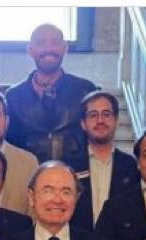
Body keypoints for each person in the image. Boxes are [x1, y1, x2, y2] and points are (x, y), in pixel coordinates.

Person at [6, 24, 97, 165]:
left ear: (65, 48)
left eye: (55, 43)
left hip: (76, 175)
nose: (48, 49)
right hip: (28, 175)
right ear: (30, 50)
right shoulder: (13, 97)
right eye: (41, 43)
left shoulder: (85, 90)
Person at [70, 90, 140, 232]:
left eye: (106, 114)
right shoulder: (69, 165)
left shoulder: (130, 165)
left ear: (116, 120)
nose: (100, 121)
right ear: (83, 123)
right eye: (93, 115)